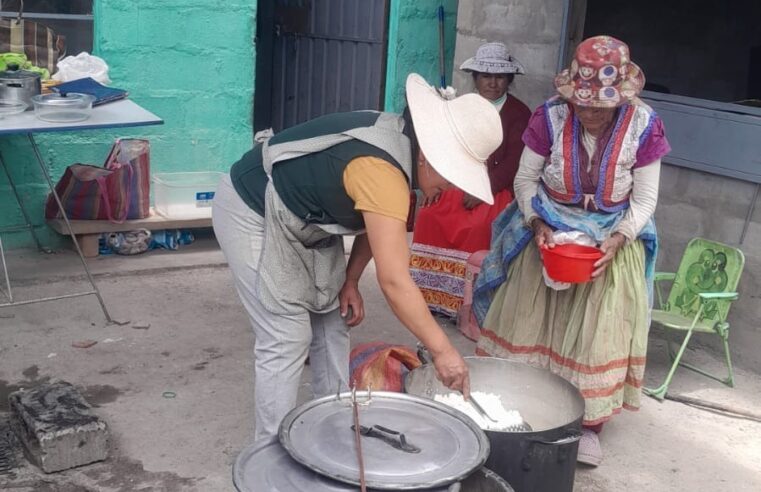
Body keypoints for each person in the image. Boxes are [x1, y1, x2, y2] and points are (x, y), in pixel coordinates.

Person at [212, 73, 503, 440]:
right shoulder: (382, 171)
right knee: (286, 336)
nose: (448, 189)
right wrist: (443, 351)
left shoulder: (400, 147)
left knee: (332, 324)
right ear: (430, 158)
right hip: (250, 207)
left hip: (307, 222)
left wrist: (349, 280)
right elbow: (395, 281)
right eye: (451, 178)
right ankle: (270, 457)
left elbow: (375, 223)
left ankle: (330, 431)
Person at [472, 36, 671, 466]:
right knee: (532, 324)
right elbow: (525, 181)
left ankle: (586, 425)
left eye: (600, 107)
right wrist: (538, 223)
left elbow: (644, 200)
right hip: (549, 228)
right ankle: (523, 403)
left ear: (621, 99)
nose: (589, 113)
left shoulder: (644, 123)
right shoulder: (550, 116)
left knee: (596, 334)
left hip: (611, 239)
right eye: (582, 105)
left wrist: (618, 239)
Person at [410, 42, 530, 319]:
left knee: (478, 224)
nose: (493, 82)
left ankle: (465, 304)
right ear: (476, 78)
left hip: (493, 187)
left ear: (509, 80)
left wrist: (483, 188)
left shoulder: (519, 114)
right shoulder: (460, 106)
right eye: (486, 76)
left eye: (499, 77)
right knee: (430, 215)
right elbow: (444, 147)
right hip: (456, 181)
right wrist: (435, 181)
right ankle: (429, 297)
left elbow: (514, 161)